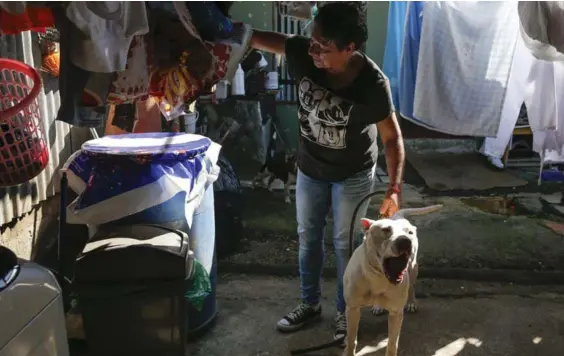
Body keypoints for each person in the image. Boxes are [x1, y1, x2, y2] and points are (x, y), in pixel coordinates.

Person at [249, 2, 406, 340]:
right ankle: (309, 304)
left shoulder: (372, 84)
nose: (314, 50)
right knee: (308, 238)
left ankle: (344, 312)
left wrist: (393, 188)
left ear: (350, 49)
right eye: (313, 41)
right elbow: (259, 38)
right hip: (311, 169)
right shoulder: (304, 53)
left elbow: (391, 138)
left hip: (353, 174)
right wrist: (222, 32)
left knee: (344, 244)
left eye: (324, 46)